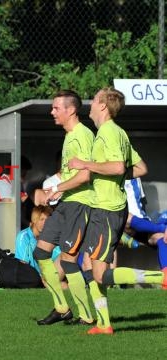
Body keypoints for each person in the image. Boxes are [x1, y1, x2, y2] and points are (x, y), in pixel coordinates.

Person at [68, 87, 166, 335]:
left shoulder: (109, 132)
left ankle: (161, 278)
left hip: (107, 210)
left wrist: (85, 164)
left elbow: (118, 166)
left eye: (95, 99)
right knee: (89, 265)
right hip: (104, 209)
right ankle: (104, 324)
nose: (90, 103)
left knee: (99, 274)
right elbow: (140, 168)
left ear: (103, 106)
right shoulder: (117, 133)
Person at [33, 90, 94, 326]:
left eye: (56, 108)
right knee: (40, 252)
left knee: (69, 261)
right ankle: (61, 307)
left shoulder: (82, 135)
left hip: (80, 204)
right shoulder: (69, 136)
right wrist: (56, 190)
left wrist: (59, 188)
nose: (52, 112)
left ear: (71, 110)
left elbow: (86, 175)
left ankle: (87, 315)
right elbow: (71, 175)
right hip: (66, 203)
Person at [15, 205, 63, 276]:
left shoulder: (51, 237)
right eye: (41, 219)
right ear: (34, 220)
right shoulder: (24, 236)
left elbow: (59, 254)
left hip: (47, 275)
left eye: (47, 220)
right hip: (29, 276)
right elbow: (23, 263)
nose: (45, 223)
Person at [0, 156, 34, 229]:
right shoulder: (3, 184)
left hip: (11, 226)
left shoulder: (17, 185)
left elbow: (27, 204)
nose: (25, 177)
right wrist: (30, 225)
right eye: (23, 174)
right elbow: (10, 212)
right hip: (0, 229)